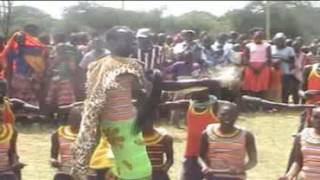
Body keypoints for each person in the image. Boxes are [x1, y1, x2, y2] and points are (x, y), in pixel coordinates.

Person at [71, 26, 152, 180]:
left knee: (119, 164)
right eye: (128, 40)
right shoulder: (130, 65)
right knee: (140, 170)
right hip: (123, 123)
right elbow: (143, 90)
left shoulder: (97, 64)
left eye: (133, 40)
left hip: (104, 121)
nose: (132, 43)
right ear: (110, 42)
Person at [159, 87, 221, 180]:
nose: (190, 93)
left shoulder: (217, 106)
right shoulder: (189, 104)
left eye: (194, 89)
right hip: (191, 154)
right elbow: (169, 105)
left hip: (212, 156)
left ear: (205, 90)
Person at [199, 102, 257, 180]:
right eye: (223, 114)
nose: (227, 118)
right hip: (212, 176)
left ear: (237, 116)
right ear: (217, 115)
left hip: (236, 177)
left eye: (231, 115)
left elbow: (253, 161)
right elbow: (199, 156)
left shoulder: (246, 135)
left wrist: (241, 168)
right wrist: (204, 166)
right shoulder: (207, 133)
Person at [1, 24, 46, 106]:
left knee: (19, 97)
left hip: (22, 77)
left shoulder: (15, 49)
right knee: (29, 97)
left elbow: (8, 64)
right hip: (29, 77)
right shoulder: (38, 48)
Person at [280, 107, 320, 180]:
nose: (318, 120)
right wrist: (289, 175)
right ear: (310, 118)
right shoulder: (303, 136)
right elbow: (298, 161)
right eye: (315, 117)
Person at [45, 43, 77, 122]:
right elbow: (49, 71)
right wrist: (56, 62)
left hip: (65, 81)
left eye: (62, 50)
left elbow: (73, 70)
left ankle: (64, 118)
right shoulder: (53, 58)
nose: (60, 51)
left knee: (65, 101)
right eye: (59, 49)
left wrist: (68, 60)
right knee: (51, 101)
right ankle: (52, 118)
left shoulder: (69, 59)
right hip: (54, 81)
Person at [242, 31, 271, 98]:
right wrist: (252, 68)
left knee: (262, 87)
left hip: (263, 68)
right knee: (250, 87)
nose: (258, 38)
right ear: (253, 37)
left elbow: (268, 57)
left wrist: (260, 68)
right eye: (256, 37)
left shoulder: (267, 46)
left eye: (260, 37)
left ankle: (261, 104)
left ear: (262, 37)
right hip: (250, 67)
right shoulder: (248, 45)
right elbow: (245, 57)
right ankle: (251, 104)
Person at [271, 33, 296, 104]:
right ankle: (273, 104)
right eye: (277, 40)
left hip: (285, 73)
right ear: (274, 41)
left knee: (285, 89)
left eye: (281, 40)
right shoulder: (271, 48)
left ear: (284, 41)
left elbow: (292, 62)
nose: (279, 42)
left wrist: (281, 59)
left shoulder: (289, 49)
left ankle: (284, 104)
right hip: (273, 72)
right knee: (273, 89)